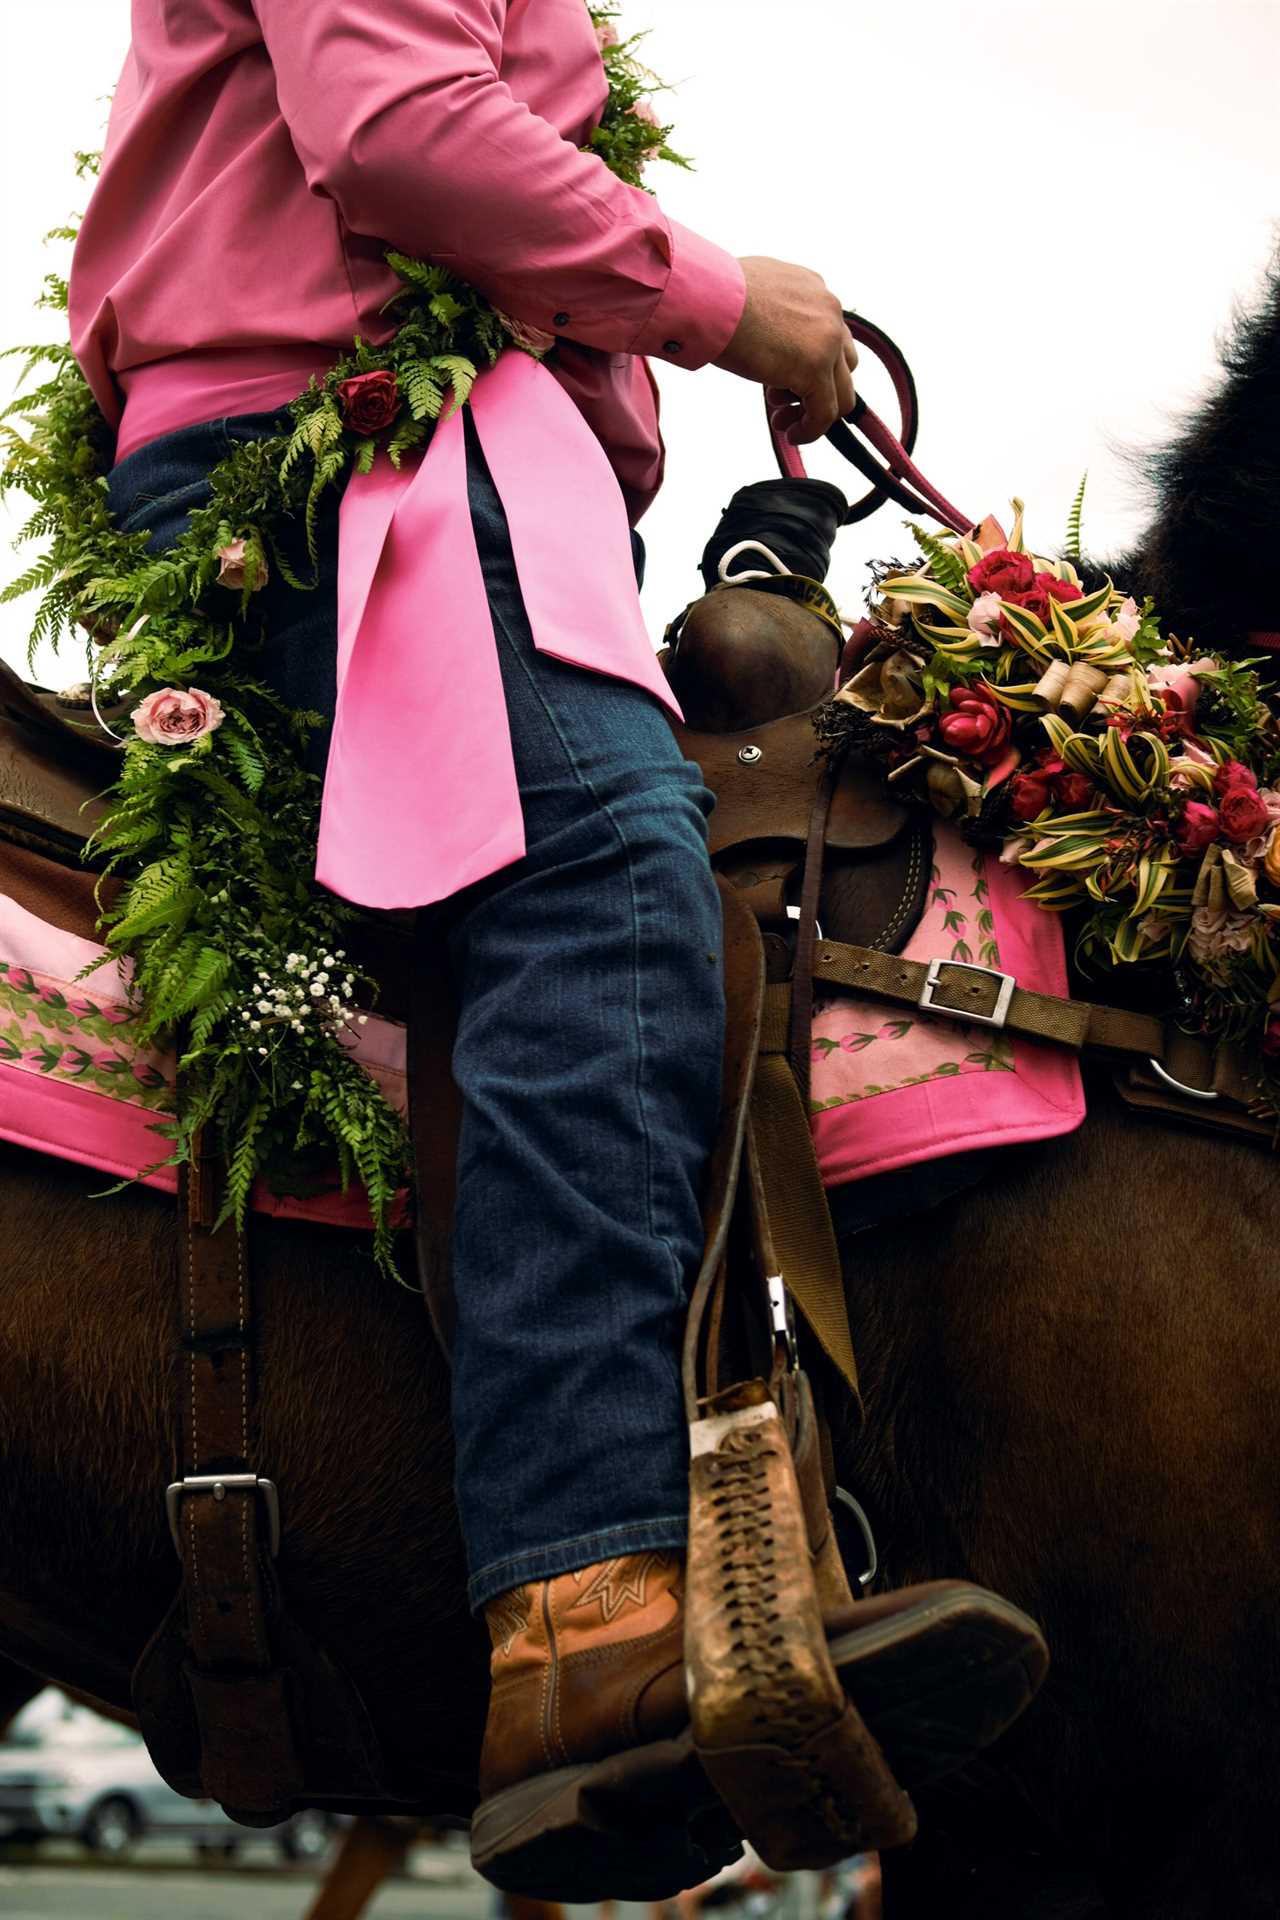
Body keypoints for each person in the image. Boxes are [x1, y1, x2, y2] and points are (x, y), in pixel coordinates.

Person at [67, 0, 1043, 1893]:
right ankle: (586, 1605)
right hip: (351, 437)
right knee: (598, 865)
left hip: (443, 444)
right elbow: (406, 131)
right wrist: (719, 298)